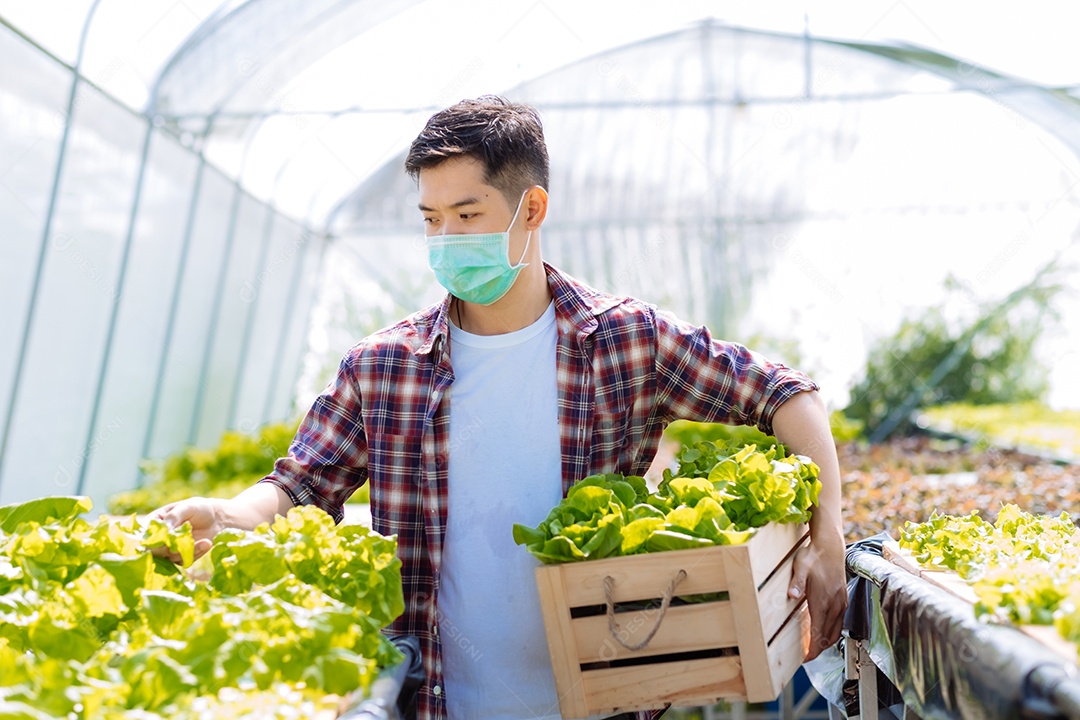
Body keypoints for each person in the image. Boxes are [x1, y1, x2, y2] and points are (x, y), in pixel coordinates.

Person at [151, 95, 847, 720]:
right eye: (431, 219)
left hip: (602, 703)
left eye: (467, 215)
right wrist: (229, 515)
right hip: (435, 702)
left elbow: (788, 395)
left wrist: (829, 540)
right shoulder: (383, 369)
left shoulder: (626, 343)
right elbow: (299, 485)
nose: (446, 240)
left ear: (532, 209)